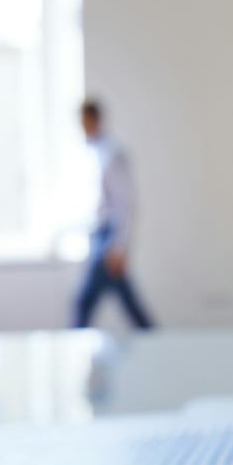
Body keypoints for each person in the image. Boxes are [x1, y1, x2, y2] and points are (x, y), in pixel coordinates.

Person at [72, 99, 154, 330]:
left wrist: (119, 246)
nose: (82, 127)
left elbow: (125, 203)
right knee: (128, 301)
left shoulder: (112, 153)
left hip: (108, 237)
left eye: (84, 122)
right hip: (98, 233)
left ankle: (73, 346)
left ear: (94, 119)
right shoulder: (92, 152)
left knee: (84, 301)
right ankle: (157, 341)